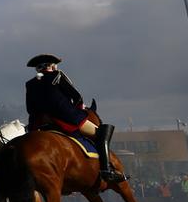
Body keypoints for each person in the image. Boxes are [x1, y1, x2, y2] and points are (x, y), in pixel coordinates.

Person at [24, 54, 119, 182]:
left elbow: (30, 108)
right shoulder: (57, 76)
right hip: (65, 118)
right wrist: (79, 109)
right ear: (52, 66)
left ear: (37, 69)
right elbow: (77, 97)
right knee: (102, 133)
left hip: (40, 123)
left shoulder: (30, 84)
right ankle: (106, 170)